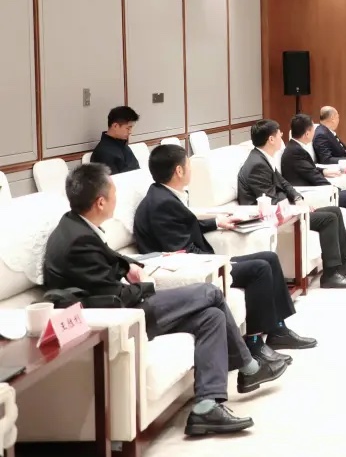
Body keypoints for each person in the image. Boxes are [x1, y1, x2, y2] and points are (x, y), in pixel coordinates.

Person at [42, 164, 287, 436]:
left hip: (125, 306)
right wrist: (146, 286)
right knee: (211, 293)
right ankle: (250, 366)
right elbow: (113, 297)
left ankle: (206, 407)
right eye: (114, 193)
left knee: (212, 317)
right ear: (100, 202)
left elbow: (107, 257)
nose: (116, 198)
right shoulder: (78, 241)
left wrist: (130, 265)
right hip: (125, 315)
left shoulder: (75, 225)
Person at [134, 144, 318, 365]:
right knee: (259, 269)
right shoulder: (162, 204)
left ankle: (278, 329)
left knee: (269, 258)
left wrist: (216, 222)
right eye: (188, 164)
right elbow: (180, 250)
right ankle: (254, 344)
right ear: (179, 171)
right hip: (195, 269)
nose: (191, 169)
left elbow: (185, 224)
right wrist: (218, 261)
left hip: (203, 261)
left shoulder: (165, 195)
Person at [237, 120, 346, 289]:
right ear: (271, 139)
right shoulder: (257, 164)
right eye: (278, 133)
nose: (282, 135)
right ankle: (330, 275)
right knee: (329, 218)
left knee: (334, 211)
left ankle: (343, 263)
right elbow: (272, 199)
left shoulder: (264, 158)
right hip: (268, 217)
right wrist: (297, 207)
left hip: (282, 209)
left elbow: (284, 184)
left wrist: (298, 199)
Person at [282, 114, 346, 254]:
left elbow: (309, 169)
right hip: (312, 193)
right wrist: (333, 188)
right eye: (313, 129)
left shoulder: (295, 147)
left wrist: (323, 171)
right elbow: (313, 176)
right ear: (307, 133)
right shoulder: (295, 151)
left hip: (314, 188)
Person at [89, 106, 140, 174]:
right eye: (128, 128)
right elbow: (113, 180)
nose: (130, 132)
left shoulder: (122, 144)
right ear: (115, 126)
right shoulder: (103, 153)